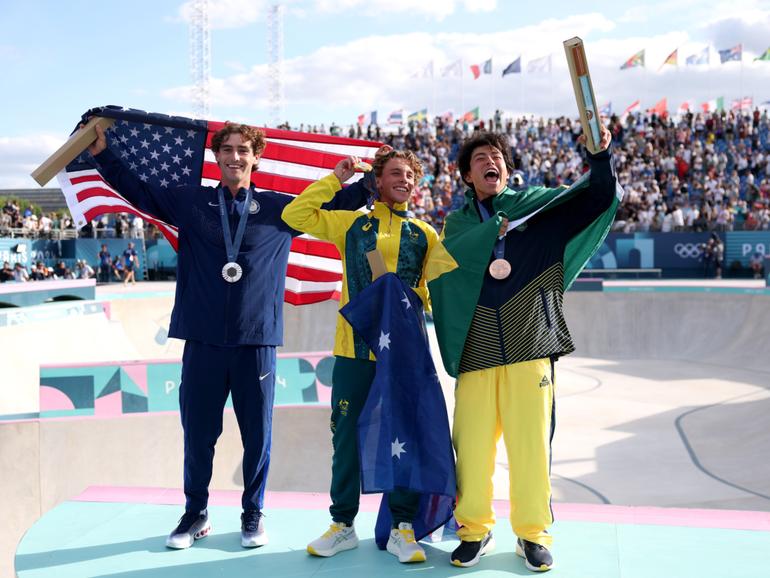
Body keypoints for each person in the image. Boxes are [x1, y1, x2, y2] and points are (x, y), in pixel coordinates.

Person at [85, 121, 370, 550]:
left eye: (243, 151)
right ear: (216, 156)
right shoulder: (192, 201)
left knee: (258, 436)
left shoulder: (280, 209)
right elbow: (138, 191)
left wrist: (365, 180)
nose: (235, 157)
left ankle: (252, 513)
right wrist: (105, 153)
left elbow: (336, 205)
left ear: (256, 157)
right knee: (198, 434)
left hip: (255, 342)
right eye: (228, 150)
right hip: (201, 339)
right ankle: (195, 513)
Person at [427, 126, 617, 572]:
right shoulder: (457, 225)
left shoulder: (540, 209)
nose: (488, 162)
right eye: (478, 159)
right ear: (466, 176)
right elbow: (444, 275)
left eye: (496, 156)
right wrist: (494, 227)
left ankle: (532, 535)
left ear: (508, 169)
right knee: (471, 449)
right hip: (477, 352)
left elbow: (597, 199)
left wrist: (600, 157)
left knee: (531, 448)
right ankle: (474, 531)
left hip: (530, 345)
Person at [282, 147, 440, 563]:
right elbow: (295, 216)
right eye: (394, 173)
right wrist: (336, 179)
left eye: (410, 175)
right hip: (353, 350)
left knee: (403, 435)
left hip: (404, 353)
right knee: (346, 436)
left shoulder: (426, 234)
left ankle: (402, 528)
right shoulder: (352, 224)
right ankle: (343, 525)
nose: (403, 180)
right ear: (378, 181)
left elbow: (440, 293)